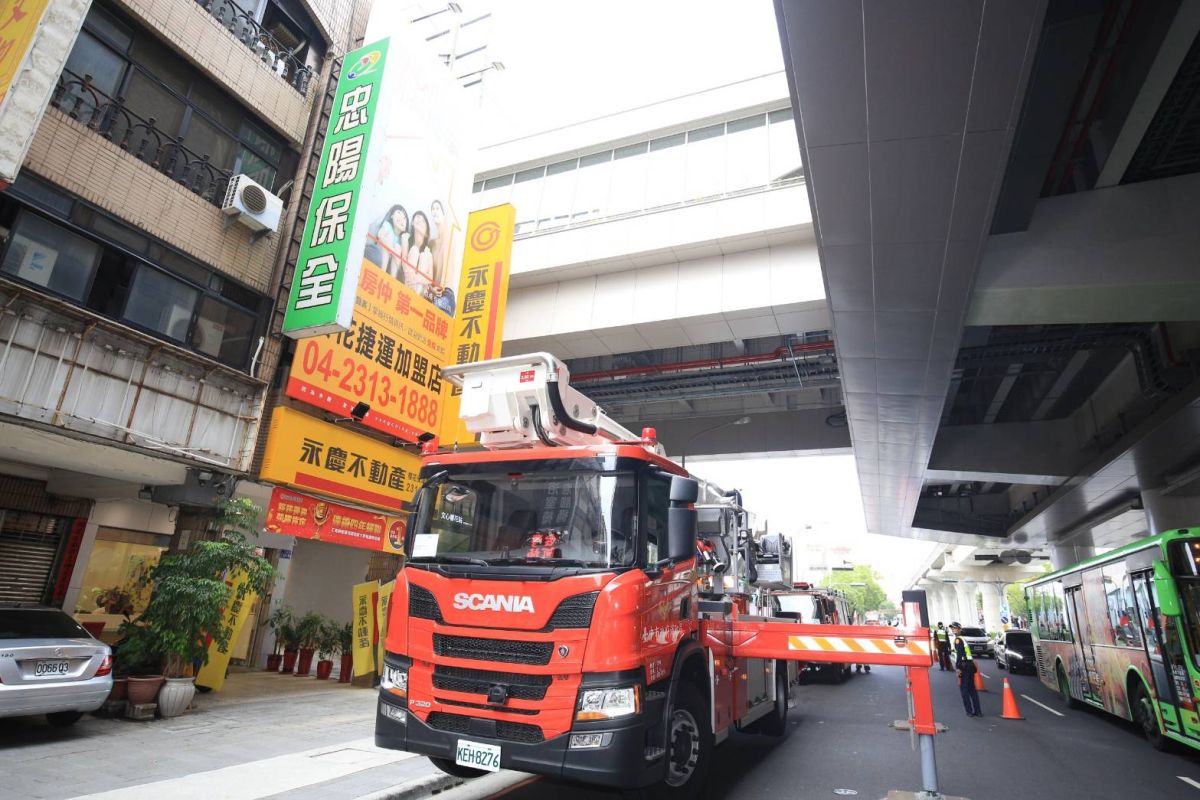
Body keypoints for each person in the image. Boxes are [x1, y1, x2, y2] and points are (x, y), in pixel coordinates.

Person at [952, 624, 982, 717]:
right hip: (969, 665)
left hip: (963, 666)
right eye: (952, 628)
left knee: (964, 690)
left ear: (959, 629)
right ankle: (978, 711)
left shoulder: (958, 640)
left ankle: (969, 711)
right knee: (972, 689)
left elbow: (960, 654)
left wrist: (957, 668)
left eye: (955, 628)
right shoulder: (962, 639)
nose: (953, 630)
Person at [405, 210, 435, 295]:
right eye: (418, 217)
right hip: (407, 284)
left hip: (419, 290)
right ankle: (409, 292)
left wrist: (416, 278)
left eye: (423, 221)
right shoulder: (407, 240)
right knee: (414, 250)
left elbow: (430, 278)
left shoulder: (427, 253)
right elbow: (403, 262)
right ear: (412, 223)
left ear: (427, 230)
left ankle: (414, 295)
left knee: (425, 255)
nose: (420, 221)